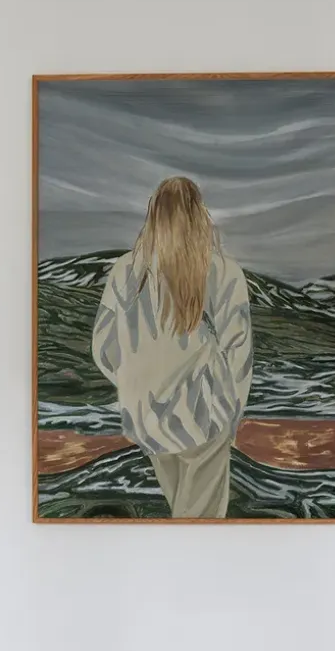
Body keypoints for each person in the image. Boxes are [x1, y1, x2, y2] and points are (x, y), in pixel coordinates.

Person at [91, 176, 253, 518]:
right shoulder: (224, 271)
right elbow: (238, 352)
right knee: (200, 521)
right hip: (206, 416)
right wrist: (233, 416)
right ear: (200, 215)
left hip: (147, 417)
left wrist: (134, 381)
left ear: (154, 215)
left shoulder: (125, 270)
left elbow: (103, 348)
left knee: (182, 513)